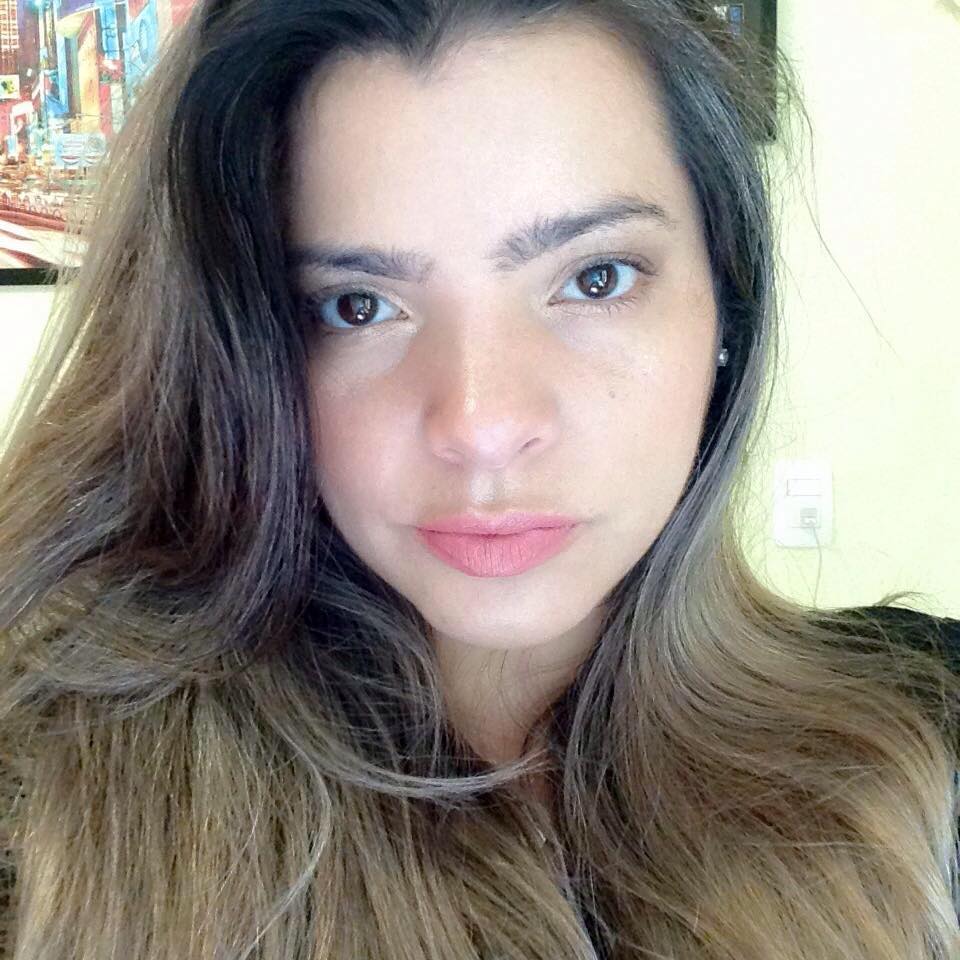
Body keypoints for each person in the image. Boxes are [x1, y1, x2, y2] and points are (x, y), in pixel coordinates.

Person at [0, 1, 957, 957]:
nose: (481, 426)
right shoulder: (44, 814)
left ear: (727, 307)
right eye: (358, 305)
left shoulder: (922, 747)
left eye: (595, 279)